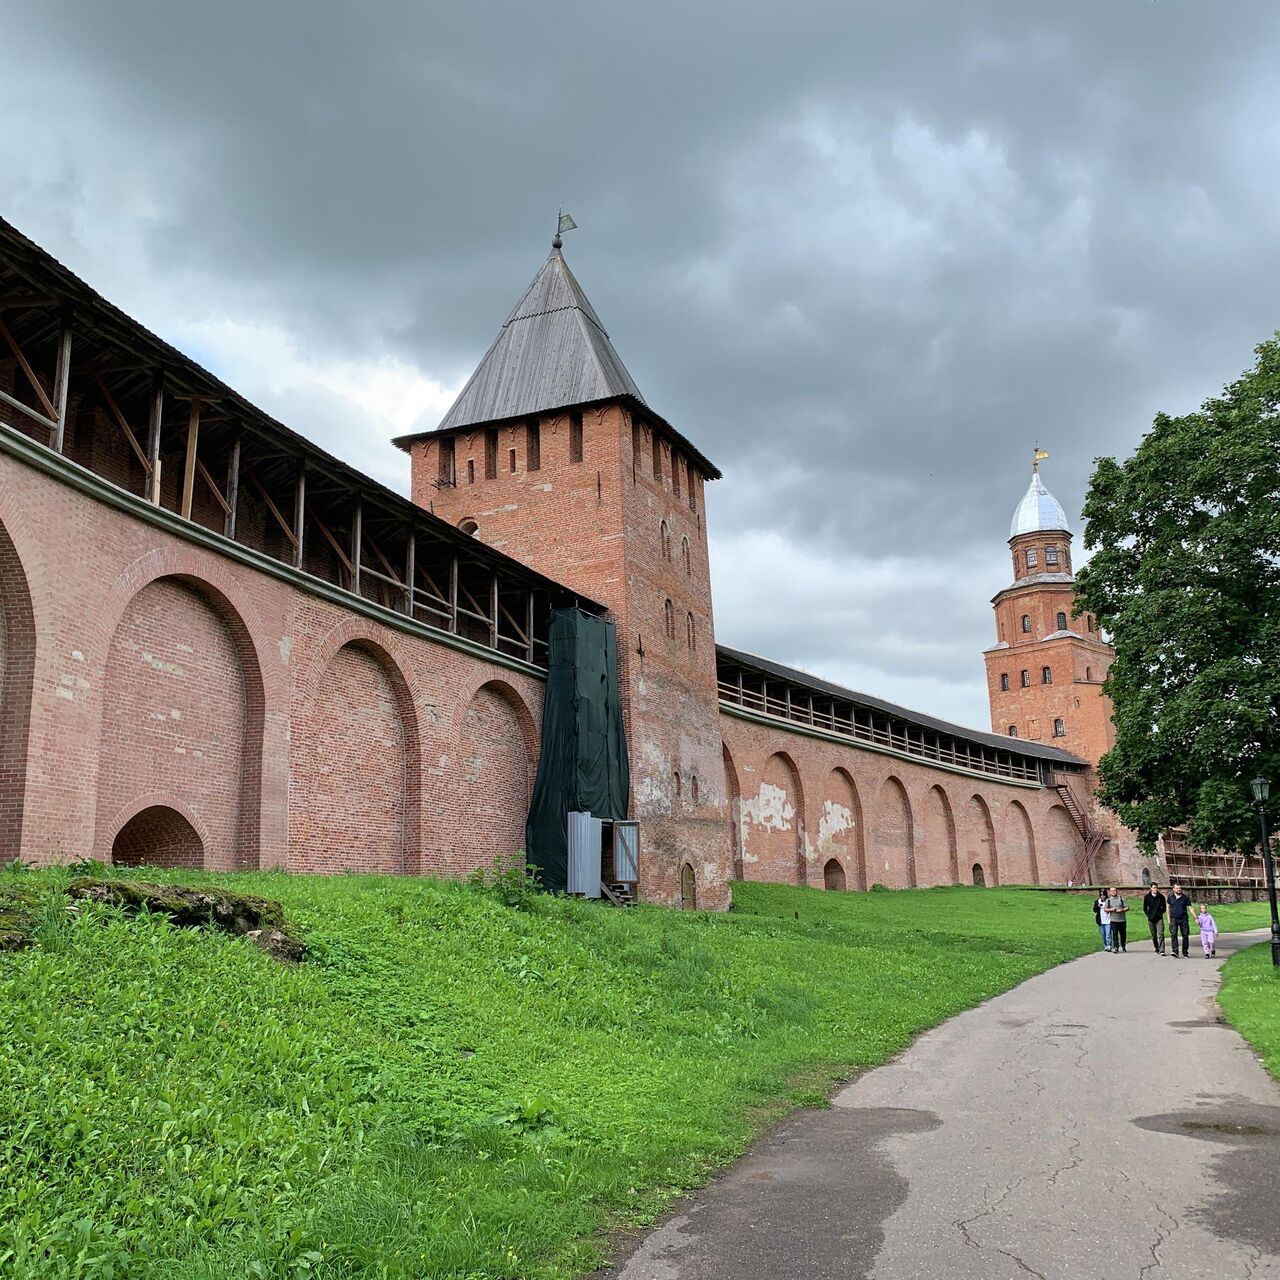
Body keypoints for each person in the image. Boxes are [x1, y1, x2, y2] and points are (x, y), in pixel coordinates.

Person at [1168, 882, 1192, 958]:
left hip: (1183, 918)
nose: (1179, 889)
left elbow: (1190, 907)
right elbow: (1168, 907)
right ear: (1173, 889)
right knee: (1173, 934)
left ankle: (1185, 952)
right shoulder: (1170, 897)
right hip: (1174, 918)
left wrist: (1196, 917)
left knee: (1185, 935)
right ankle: (1175, 951)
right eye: (1177, 888)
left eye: (1180, 888)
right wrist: (1168, 919)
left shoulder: (1185, 897)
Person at [1143, 883, 1168, 955]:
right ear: (1150, 888)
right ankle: (1156, 948)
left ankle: (1162, 950)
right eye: (1154, 888)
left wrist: (1160, 913)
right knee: (1153, 935)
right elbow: (1145, 908)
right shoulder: (1147, 897)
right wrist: (1149, 914)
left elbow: (1164, 907)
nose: (1156, 889)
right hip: (1151, 918)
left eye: (1156, 888)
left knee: (1161, 933)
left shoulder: (1161, 897)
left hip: (1159, 918)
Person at [1104, 886, 1128, 952]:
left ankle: (1123, 945)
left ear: (1116, 891)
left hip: (1122, 920)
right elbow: (1105, 909)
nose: (1113, 892)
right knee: (1114, 934)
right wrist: (1112, 909)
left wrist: (1122, 910)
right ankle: (1116, 947)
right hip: (1113, 920)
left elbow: (1127, 907)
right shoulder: (1108, 900)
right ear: (1110, 892)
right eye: (1112, 891)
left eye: (1114, 890)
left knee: (1123, 934)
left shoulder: (1121, 899)